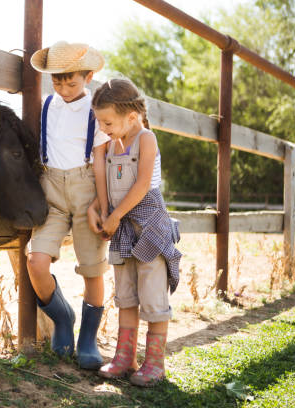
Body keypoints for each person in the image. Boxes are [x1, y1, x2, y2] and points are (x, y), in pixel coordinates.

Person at [88, 77, 182, 386]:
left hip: (149, 227)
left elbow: (142, 185)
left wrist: (115, 215)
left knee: (153, 296)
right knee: (126, 294)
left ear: (131, 117)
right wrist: (104, 212)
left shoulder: (145, 139)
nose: (103, 127)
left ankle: (155, 362)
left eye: (108, 121)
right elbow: (101, 176)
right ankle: (125, 357)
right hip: (121, 226)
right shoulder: (110, 143)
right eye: (99, 121)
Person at [27, 41, 110, 370]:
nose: (63, 87)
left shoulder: (96, 109)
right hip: (52, 191)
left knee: (92, 269)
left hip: (87, 190)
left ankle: (88, 338)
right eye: (57, 80)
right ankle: (63, 318)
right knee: (36, 261)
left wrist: (102, 204)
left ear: (88, 77)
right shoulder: (48, 105)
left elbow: (101, 163)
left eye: (71, 81)